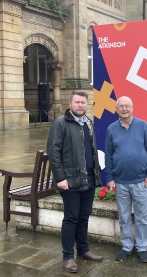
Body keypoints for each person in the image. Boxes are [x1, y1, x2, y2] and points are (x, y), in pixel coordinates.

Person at [47, 90, 103, 273]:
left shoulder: (89, 123)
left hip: (88, 179)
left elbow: (92, 151)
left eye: (83, 103)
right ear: (70, 104)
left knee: (84, 217)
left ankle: (84, 250)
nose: (81, 105)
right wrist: (60, 178)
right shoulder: (60, 124)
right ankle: (68, 257)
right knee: (71, 218)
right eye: (77, 102)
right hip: (69, 181)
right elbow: (54, 153)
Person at [105, 96, 147, 263]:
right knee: (124, 217)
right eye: (121, 106)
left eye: (127, 106)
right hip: (120, 182)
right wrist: (110, 178)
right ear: (116, 109)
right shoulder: (111, 129)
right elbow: (109, 155)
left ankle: (142, 248)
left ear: (132, 108)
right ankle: (127, 246)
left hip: (141, 181)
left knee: (142, 217)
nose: (124, 109)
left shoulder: (143, 126)